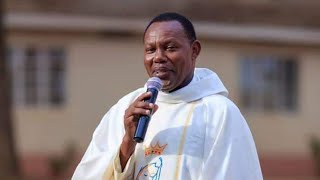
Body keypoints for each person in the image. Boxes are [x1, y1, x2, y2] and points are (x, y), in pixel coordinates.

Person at [72, 12, 263, 180]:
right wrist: (127, 143)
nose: (158, 57)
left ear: (194, 50)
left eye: (170, 48)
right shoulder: (126, 108)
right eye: (150, 50)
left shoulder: (219, 112)